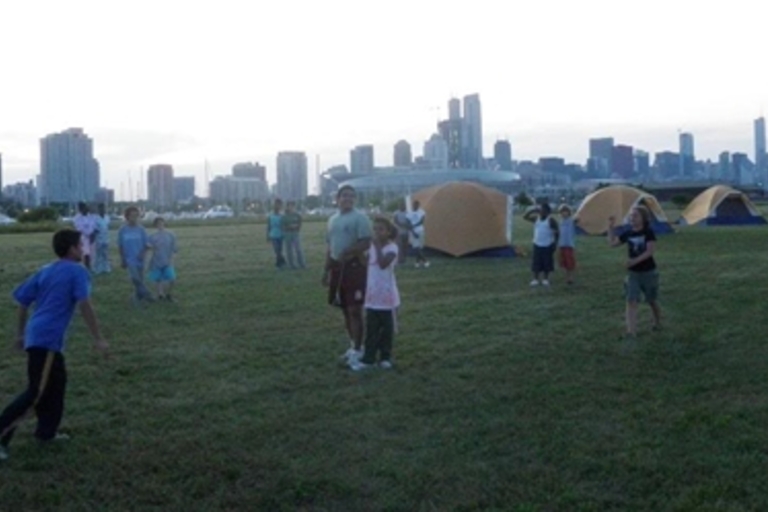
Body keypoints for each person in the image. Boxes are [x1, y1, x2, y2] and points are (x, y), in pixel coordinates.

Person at [0, 229, 109, 462]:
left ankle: (46, 433)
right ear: (71, 249)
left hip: (37, 335)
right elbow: (85, 305)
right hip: (47, 339)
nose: (83, 250)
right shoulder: (77, 271)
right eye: (81, 246)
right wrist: (98, 338)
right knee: (36, 392)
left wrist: (21, 335)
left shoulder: (46, 270)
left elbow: (22, 301)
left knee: (56, 386)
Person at [322, 185, 372, 364]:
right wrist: (326, 270)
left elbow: (366, 242)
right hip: (337, 268)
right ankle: (353, 346)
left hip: (354, 267)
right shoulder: (332, 220)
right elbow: (330, 246)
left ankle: (360, 349)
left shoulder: (360, 218)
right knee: (344, 308)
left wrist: (348, 252)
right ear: (337, 198)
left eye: (351, 196)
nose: (348, 199)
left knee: (355, 309)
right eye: (344, 196)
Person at [350, 217, 401, 371]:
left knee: (386, 328)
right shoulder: (373, 247)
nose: (377, 232)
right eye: (375, 229)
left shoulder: (392, 248)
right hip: (373, 295)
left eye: (381, 229)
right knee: (371, 328)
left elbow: (383, 263)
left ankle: (385, 357)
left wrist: (377, 246)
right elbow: (369, 263)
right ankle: (369, 359)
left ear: (388, 232)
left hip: (387, 296)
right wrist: (358, 254)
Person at [608, 206, 662, 339]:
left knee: (651, 300)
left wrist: (634, 261)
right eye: (631, 216)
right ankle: (631, 331)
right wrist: (610, 228)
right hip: (633, 274)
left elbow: (649, 252)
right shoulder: (628, 233)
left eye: (635, 215)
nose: (632, 218)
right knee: (631, 300)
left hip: (648, 272)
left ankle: (657, 321)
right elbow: (612, 243)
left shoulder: (648, 232)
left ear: (643, 218)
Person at [118, 206, 153, 304]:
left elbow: (147, 244)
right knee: (135, 278)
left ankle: (137, 298)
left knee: (140, 279)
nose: (134, 218)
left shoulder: (141, 229)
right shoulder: (123, 230)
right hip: (129, 259)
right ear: (127, 217)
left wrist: (142, 254)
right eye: (132, 216)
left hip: (140, 258)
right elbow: (120, 245)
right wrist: (123, 259)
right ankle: (148, 294)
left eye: (136, 216)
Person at [524, 202, 559, 287]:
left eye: (543, 210)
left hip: (548, 244)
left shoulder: (551, 220)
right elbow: (525, 217)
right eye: (540, 210)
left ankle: (545, 279)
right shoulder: (536, 218)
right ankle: (535, 279)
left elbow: (557, 232)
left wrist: (555, 243)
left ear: (547, 211)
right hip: (537, 243)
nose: (541, 211)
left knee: (547, 263)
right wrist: (532, 210)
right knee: (536, 263)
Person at [147, 217, 178, 302]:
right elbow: (148, 247)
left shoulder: (171, 235)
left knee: (172, 279)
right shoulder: (152, 236)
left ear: (164, 223)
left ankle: (169, 294)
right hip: (156, 261)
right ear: (155, 225)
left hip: (167, 261)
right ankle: (160, 294)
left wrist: (172, 259)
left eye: (161, 223)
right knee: (158, 279)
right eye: (157, 223)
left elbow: (174, 249)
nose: (160, 225)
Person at [73, 202, 97, 271]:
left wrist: (93, 234)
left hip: (92, 237)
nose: (84, 210)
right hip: (83, 238)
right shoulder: (77, 218)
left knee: (92, 253)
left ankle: (91, 267)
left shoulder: (92, 216)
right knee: (86, 253)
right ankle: (86, 268)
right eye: (81, 209)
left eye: (84, 207)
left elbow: (94, 226)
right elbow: (80, 228)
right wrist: (89, 234)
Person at [282, 201, 306, 269]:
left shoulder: (297, 215)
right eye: (289, 206)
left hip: (295, 234)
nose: (291, 207)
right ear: (287, 207)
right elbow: (283, 227)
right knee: (289, 250)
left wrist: (297, 227)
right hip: (288, 234)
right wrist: (290, 227)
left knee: (298, 249)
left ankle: (302, 264)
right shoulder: (284, 216)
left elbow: (300, 223)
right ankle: (291, 265)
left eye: (292, 206)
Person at [558, 204, 577, 285]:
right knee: (564, 262)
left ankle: (571, 277)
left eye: (565, 212)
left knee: (570, 261)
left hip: (569, 244)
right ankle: (567, 276)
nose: (564, 213)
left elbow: (577, 220)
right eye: (562, 212)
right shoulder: (560, 222)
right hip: (562, 244)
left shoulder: (571, 221)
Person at [407, 199, 429, 268]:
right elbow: (408, 224)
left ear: (418, 205)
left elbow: (421, 222)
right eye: (414, 205)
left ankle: (417, 262)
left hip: (420, 230)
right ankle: (425, 261)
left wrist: (414, 225)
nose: (415, 206)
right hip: (413, 231)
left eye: (416, 205)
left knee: (420, 247)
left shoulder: (422, 212)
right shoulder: (409, 214)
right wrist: (413, 232)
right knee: (416, 247)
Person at [92, 204, 112, 275]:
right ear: (99, 210)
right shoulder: (96, 218)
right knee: (98, 254)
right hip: (99, 239)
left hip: (106, 238)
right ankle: (97, 269)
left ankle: (106, 268)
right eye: (101, 209)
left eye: (104, 208)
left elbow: (107, 227)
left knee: (105, 254)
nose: (103, 210)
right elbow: (95, 229)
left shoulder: (107, 217)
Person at [266, 199, 286, 269]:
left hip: (280, 234)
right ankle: (279, 263)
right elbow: (269, 226)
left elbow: (284, 225)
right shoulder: (270, 215)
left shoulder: (282, 216)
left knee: (280, 250)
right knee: (276, 250)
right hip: (273, 234)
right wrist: (267, 235)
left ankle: (281, 262)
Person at [392, 200, 411, 265]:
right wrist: (403, 225)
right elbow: (395, 221)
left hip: (406, 232)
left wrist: (407, 226)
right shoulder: (396, 213)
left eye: (403, 205)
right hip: (398, 232)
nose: (401, 206)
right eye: (400, 205)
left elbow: (409, 221)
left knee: (405, 246)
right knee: (399, 246)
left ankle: (404, 258)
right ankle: (400, 259)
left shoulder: (407, 213)